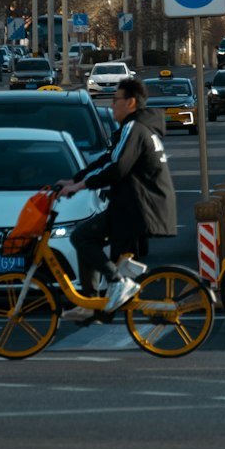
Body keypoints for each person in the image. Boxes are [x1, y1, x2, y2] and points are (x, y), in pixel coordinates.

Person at [57, 76, 176, 320]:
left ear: (131, 102)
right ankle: (97, 301)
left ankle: (113, 286)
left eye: (115, 100)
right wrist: (75, 179)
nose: (112, 106)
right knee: (101, 249)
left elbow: (116, 166)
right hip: (137, 205)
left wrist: (81, 185)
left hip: (137, 207)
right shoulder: (137, 128)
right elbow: (106, 160)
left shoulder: (134, 129)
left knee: (82, 236)